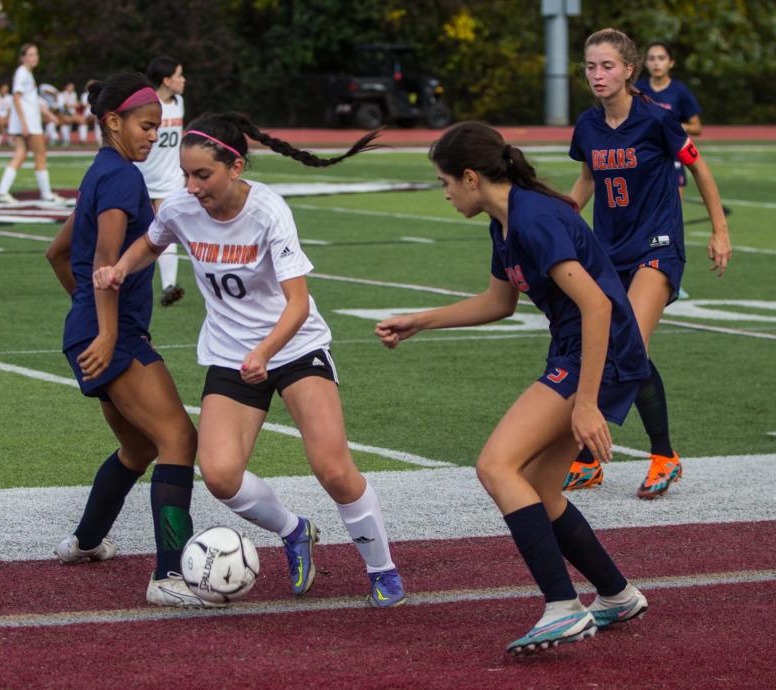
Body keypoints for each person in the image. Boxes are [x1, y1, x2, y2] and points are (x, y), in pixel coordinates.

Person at [92, 112, 406, 608]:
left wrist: (264, 352)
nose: (192, 187)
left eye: (203, 175)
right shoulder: (180, 207)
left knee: (334, 469)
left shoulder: (268, 211)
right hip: (230, 356)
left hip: (294, 347)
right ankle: (295, 530)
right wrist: (119, 268)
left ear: (235, 167)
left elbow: (298, 304)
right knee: (219, 476)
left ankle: (382, 570)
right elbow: (152, 242)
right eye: (186, 175)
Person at [375, 121, 650, 653]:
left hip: (599, 354)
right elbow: (497, 303)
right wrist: (421, 321)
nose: (446, 192)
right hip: (582, 353)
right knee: (542, 492)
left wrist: (586, 403)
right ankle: (616, 594)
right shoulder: (505, 225)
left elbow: (596, 306)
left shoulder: (535, 219)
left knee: (496, 466)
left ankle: (562, 606)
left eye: (445, 182)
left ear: (472, 177)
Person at [45, 72, 210, 608]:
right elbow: (104, 261)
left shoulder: (101, 171)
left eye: (159, 128)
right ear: (112, 121)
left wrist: (87, 317)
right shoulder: (123, 180)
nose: (154, 137)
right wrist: (109, 328)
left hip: (87, 334)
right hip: (112, 337)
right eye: (145, 125)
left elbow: (56, 253)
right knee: (179, 440)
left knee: (139, 447)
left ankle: (85, 542)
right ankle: (169, 575)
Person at [565, 28, 732, 498]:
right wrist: (557, 224)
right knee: (604, 346)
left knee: (628, 343)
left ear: (629, 70)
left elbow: (699, 166)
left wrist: (719, 230)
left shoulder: (657, 119)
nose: (597, 74)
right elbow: (587, 179)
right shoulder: (587, 125)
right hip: (607, 250)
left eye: (607, 66)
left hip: (657, 246)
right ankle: (588, 459)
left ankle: (664, 456)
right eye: (591, 66)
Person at [134, 56, 187, 307]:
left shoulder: (180, 103)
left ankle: (168, 286)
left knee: (167, 228)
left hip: (170, 179)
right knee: (134, 230)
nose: (183, 80)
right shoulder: (146, 104)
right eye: (179, 75)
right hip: (143, 177)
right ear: (166, 80)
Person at [0, 44, 65, 204]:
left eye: (36, 54)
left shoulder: (27, 74)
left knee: (20, 154)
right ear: (23, 57)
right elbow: (17, 98)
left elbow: (31, 100)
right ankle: (46, 194)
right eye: (31, 54)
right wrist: (24, 123)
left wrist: (48, 114)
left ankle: (2, 191)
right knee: (40, 155)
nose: (35, 57)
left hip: (26, 121)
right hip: (29, 123)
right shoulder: (22, 73)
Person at [635, 42, 701, 200]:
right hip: (643, 155)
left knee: (674, 212)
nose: (656, 63)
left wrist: (675, 127)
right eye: (651, 58)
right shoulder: (637, 89)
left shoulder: (680, 91)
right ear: (645, 63)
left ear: (671, 63)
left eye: (661, 58)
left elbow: (697, 127)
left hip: (672, 156)